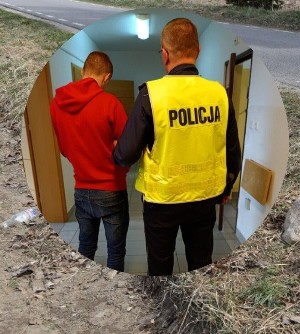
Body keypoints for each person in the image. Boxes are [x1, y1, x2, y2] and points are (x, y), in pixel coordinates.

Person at [113, 18, 242, 276]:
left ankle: (162, 310)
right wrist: (225, 189)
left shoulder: (151, 94)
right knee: (200, 261)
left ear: (164, 53)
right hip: (205, 198)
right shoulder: (220, 94)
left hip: (162, 201)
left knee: (160, 265)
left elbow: (125, 155)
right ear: (198, 50)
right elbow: (232, 153)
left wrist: (119, 148)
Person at [50, 51, 130, 272]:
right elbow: (127, 151)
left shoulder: (57, 104)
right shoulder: (111, 103)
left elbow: (65, 149)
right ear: (107, 77)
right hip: (111, 189)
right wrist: (114, 156)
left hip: (81, 188)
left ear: (84, 71)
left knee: (85, 246)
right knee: (115, 250)